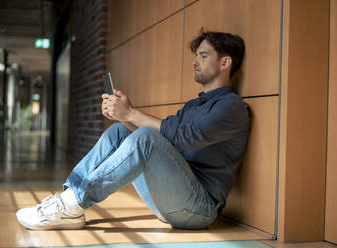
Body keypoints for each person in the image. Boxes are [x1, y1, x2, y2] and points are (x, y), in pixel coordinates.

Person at [16, 30, 250, 230]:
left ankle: (72, 203)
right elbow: (163, 140)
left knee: (146, 137)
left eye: (203, 55)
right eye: (196, 56)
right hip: (171, 198)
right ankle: (70, 201)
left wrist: (131, 113)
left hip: (199, 209)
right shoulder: (194, 105)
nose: (195, 61)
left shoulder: (232, 107)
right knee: (120, 131)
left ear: (224, 63)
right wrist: (123, 116)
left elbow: (184, 138)